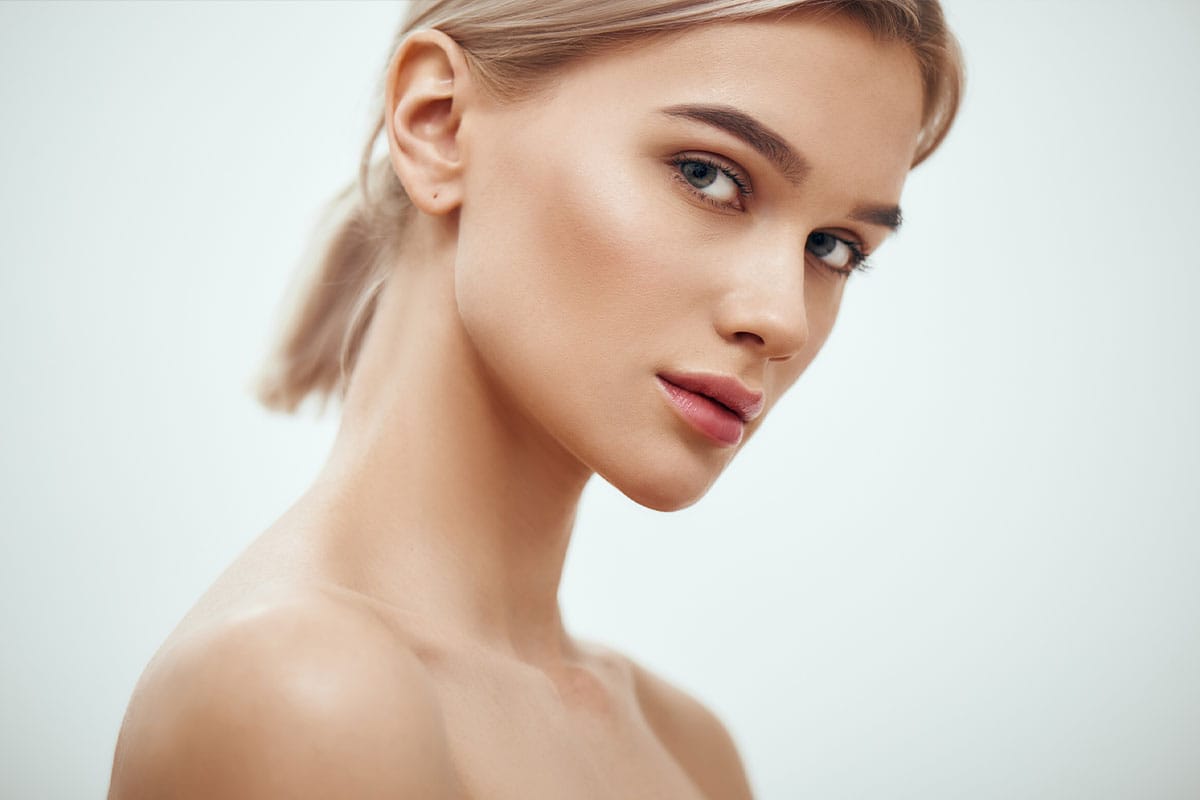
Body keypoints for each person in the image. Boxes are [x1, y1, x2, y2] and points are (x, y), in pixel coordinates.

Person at [108, 1, 963, 797]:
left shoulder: (691, 750)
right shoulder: (301, 694)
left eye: (834, 248)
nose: (782, 320)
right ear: (438, 125)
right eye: (707, 175)